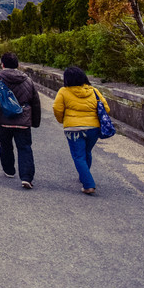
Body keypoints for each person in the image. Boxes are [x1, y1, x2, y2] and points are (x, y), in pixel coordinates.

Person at [0, 52, 41, 189]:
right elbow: (36, 103)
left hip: (3, 120)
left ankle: (9, 170)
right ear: (17, 65)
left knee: (5, 145)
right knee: (25, 148)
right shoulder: (28, 80)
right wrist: (35, 122)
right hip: (23, 121)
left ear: (2, 65)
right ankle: (26, 178)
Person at [53, 65, 110, 195]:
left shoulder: (64, 91)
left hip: (73, 129)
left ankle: (88, 184)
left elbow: (57, 108)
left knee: (78, 156)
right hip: (93, 129)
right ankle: (84, 175)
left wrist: (62, 120)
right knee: (86, 152)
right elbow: (106, 108)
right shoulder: (94, 91)